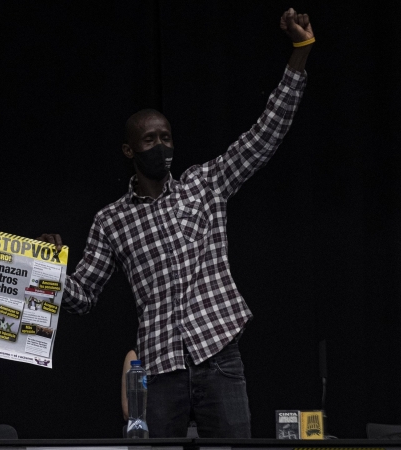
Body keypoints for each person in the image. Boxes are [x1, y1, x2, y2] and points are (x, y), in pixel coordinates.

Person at [39, 9, 314, 438]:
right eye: (150, 140)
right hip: (160, 365)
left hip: (218, 354)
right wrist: (47, 267)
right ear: (129, 151)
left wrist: (300, 53)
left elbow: (265, 134)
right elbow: (84, 296)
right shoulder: (111, 220)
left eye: (166, 137)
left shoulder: (205, 184)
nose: (161, 146)